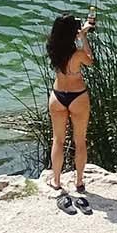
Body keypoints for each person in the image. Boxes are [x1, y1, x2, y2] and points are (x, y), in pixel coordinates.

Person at [43, 11, 96, 199]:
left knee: (57, 140)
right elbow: (91, 61)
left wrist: (77, 34)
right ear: (74, 32)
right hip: (78, 97)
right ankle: (79, 182)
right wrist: (83, 37)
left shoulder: (52, 48)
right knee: (79, 141)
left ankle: (56, 181)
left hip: (57, 96)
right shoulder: (78, 54)